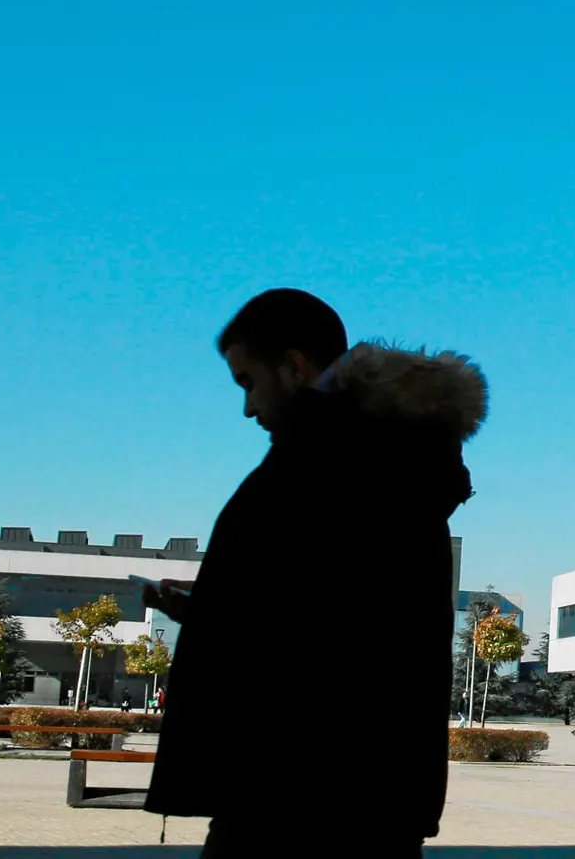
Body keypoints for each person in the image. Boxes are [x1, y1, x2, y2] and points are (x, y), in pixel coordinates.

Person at [143, 289, 486, 857]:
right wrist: (214, 602)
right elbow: (329, 602)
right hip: (355, 792)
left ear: (295, 366)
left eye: (248, 382)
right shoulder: (380, 452)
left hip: (296, 791)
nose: (248, 408)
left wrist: (217, 608)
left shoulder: (329, 455)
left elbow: (315, 628)